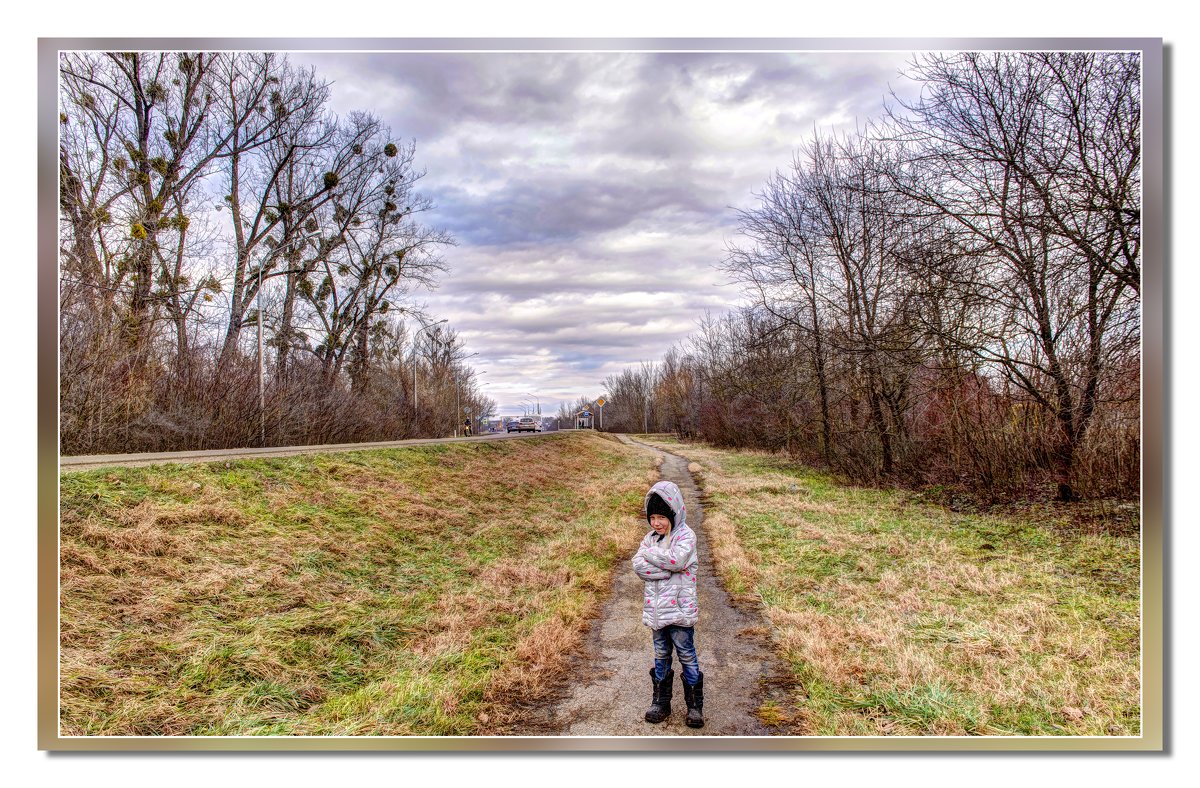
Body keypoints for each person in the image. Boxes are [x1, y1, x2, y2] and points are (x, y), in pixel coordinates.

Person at [631, 480, 704, 728]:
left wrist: (651, 557)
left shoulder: (686, 536)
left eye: (662, 516)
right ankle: (661, 702)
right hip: (656, 613)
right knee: (661, 656)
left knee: (687, 655)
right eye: (652, 517)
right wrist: (666, 570)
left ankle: (694, 706)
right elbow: (638, 566)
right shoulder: (650, 537)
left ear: (674, 513)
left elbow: (676, 560)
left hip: (680, 612)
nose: (656, 523)